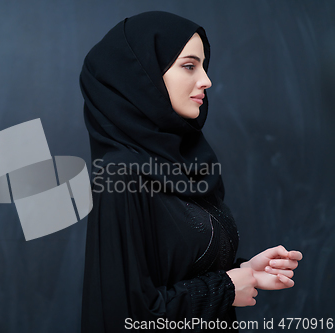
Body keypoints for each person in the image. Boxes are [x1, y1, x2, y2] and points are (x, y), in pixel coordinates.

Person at [79, 11, 302, 332]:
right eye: (188, 65)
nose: (206, 80)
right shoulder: (122, 175)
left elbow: (173, 274)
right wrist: (224, 288)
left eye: (202, 65)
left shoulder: (187, 166)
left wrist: (246, 272)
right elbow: (125, 317)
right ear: (142, 76)